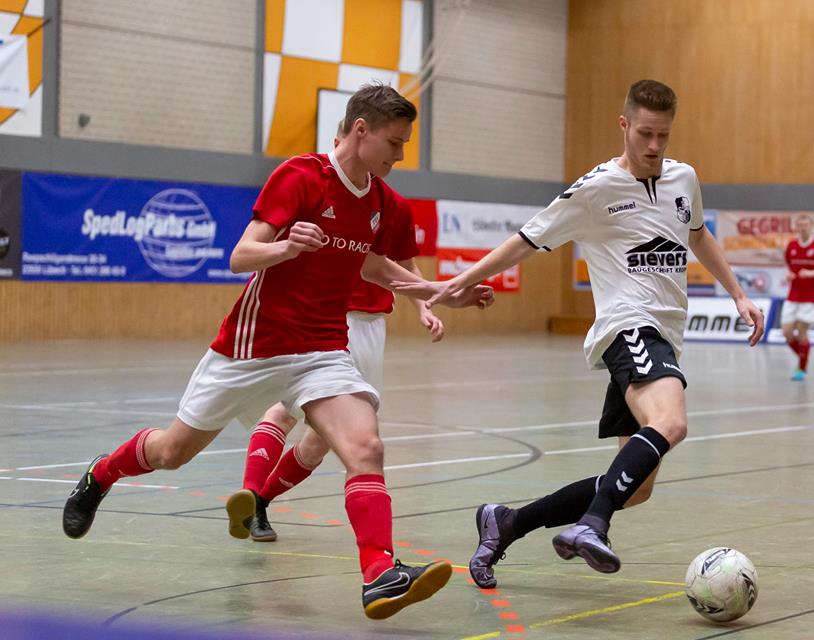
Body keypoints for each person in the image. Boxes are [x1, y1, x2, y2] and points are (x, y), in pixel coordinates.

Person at [62, 84, 493, 619]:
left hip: (322, 349)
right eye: (394, 142)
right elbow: (241, 255)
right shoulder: (301, 176)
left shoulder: (379, 200)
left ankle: (379, 574)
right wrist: (286, 246)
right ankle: (102, 473)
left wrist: (442, 293)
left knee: (366, 447)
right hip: (254, 347)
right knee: (172, 451)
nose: (400, 155)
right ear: (361, 130)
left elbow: (371, 265)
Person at [395, 79, 764, 587]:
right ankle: (594, 524)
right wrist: (460, 280)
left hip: (665, 333)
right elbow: (526, 239)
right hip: (628, 326)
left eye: (663, 135)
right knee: (672, 423)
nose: (654, 145)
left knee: (635, 487)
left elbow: (698, 235)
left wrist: (738, 294)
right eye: (645, 133)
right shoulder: (595, 189)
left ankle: (507, 523)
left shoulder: (684, 178)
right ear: (624, 125)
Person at [231, 190, 444, 544]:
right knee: (284, 410)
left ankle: (260, 503)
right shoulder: (322, 189)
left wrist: (424, 307)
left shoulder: (394, 206)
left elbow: (405, 265)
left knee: (318, 443)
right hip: (323, 316)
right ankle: (248, 494)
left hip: (370, 327)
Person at [781, 215, 814, 381]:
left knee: (802, 331)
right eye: (800, 225)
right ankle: (804, 356)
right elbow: (788, 267)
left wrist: (811, 273)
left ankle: (801, 368)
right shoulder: (791, 245)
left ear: (811, 226)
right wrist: (788, 274)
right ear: (796, 227)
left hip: (810, 296)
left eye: (806, 225)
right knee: (786, 332)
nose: (803, 228)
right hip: (793, 295)